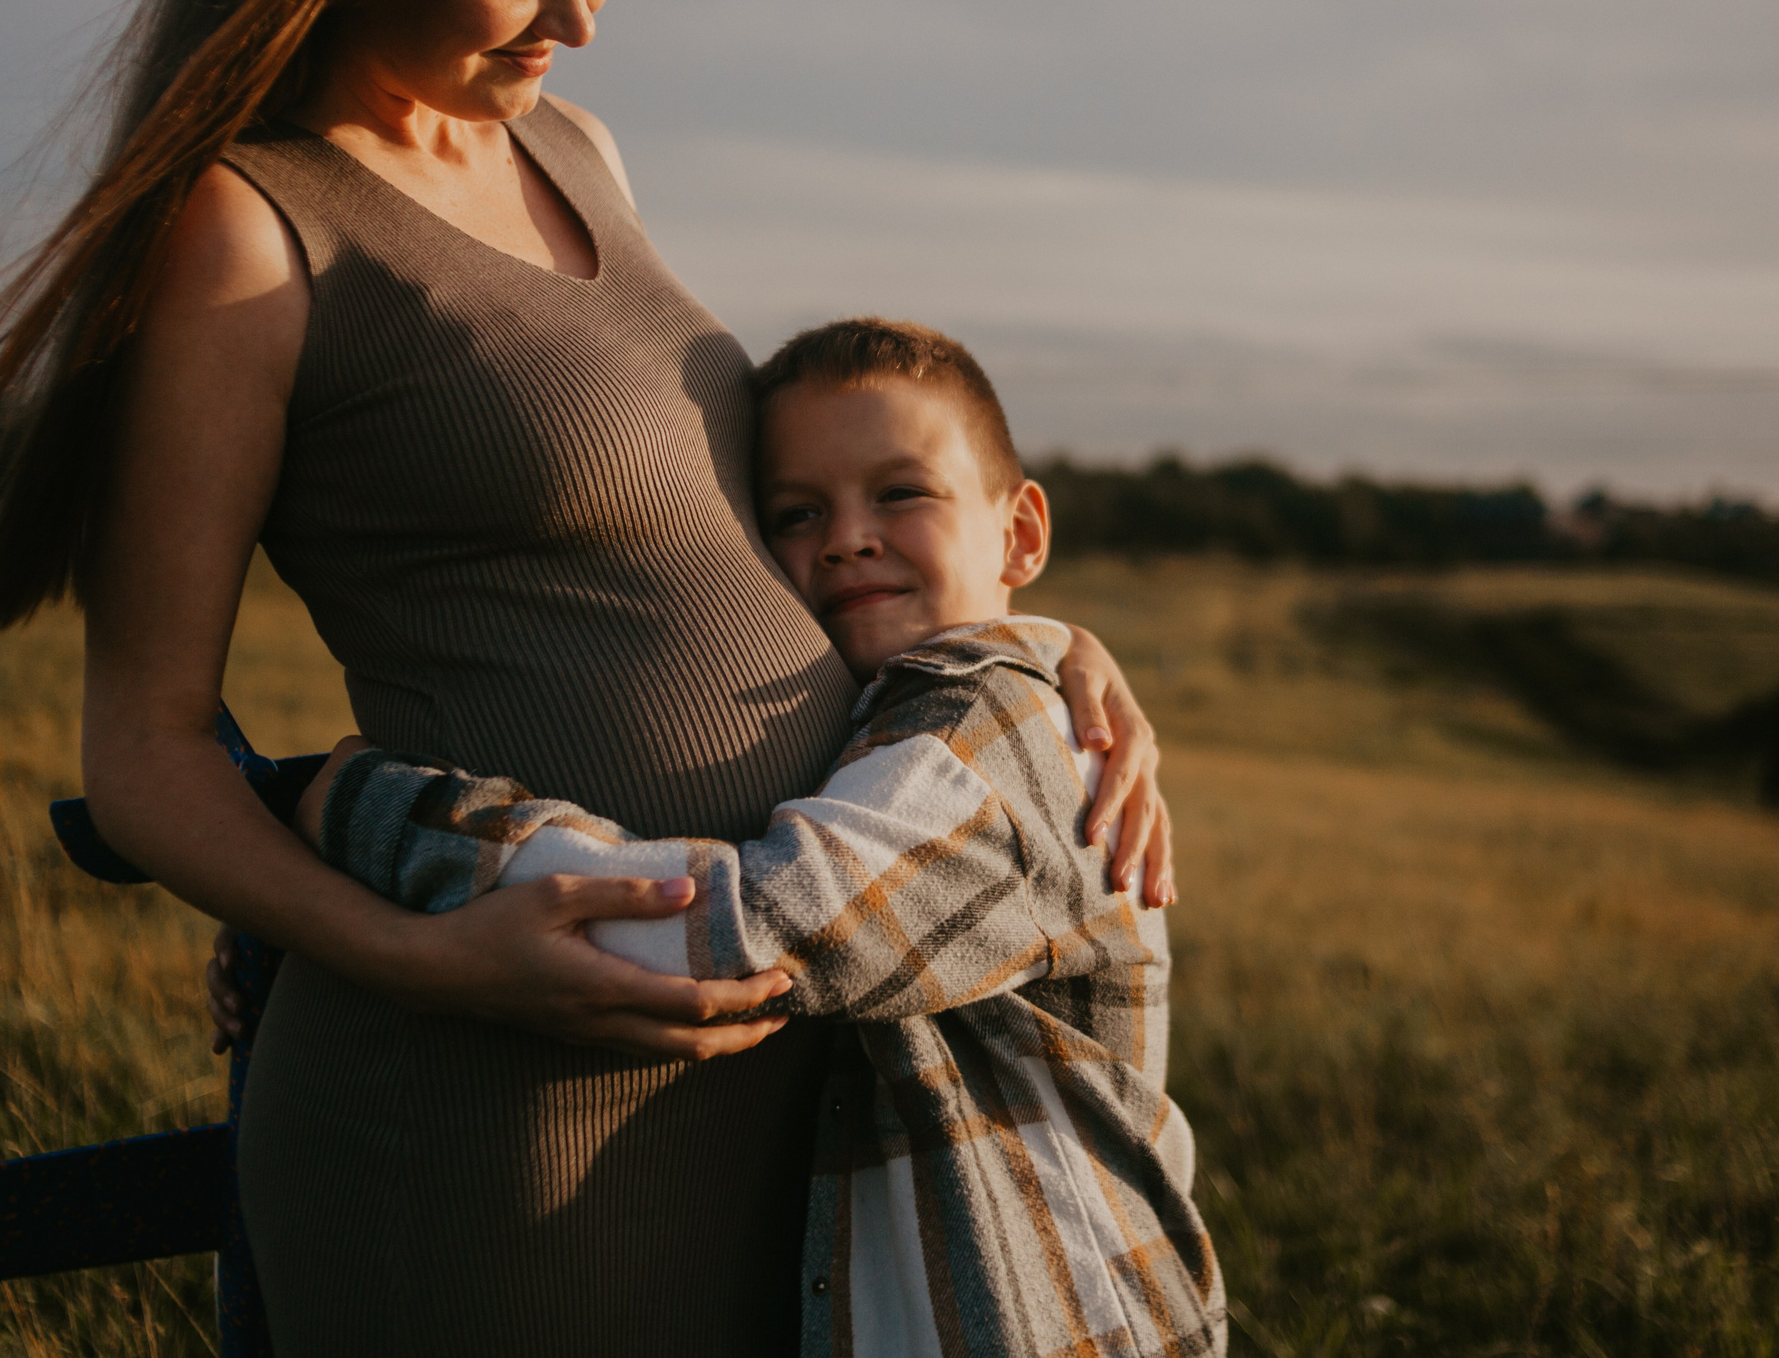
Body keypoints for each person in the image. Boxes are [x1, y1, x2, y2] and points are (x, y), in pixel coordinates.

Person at [0, 0, 1175, 1353]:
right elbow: (143, 751)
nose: (573, 14)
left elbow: (718, 541)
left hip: (762, 1094)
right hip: (494, 1101)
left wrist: (1031, 642)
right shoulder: (251, 230)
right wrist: (426, 963)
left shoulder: (582, 153)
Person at [259, 318, 1227, 1357]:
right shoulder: (901, 722)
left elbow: (744, 935)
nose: (847, 536)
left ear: (1022, 534)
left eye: (901, 492)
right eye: (797, 513)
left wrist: (360, 812)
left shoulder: (998, 728)